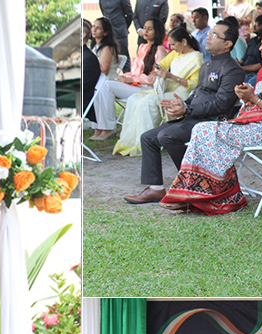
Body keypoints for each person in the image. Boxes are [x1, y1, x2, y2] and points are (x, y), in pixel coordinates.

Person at [158, 28, 262, 214]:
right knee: (201, 129)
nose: (260, 47)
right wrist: (244, 96)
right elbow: (254, 104)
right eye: (261, 43)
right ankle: (202, 193)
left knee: (204, 130)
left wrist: (253, 97)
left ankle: (212, 195)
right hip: (249, 124)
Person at [126, 21, 246, 204]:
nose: (208, 37)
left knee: (167, 136)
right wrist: (180, 105)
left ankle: (192, 184)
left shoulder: (232, 69)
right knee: (148, 137)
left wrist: (188, 109)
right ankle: (156, 189)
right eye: (209, 33)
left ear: (228, 44)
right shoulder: (206, 66)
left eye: (214, 35)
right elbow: (197, 94)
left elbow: (222, 104)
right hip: (193, 117)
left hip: (212, 122)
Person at [115, 26, 202, 156]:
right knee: (134, 98)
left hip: (182, 93)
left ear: (183, 42)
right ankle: (132, 140)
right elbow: (161, 64)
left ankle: (148, 141)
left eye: (173, 44)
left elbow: (193, 84)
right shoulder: (176, 54)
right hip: (169, 88)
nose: (171, 48)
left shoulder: (196, 58)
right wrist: (158, 69)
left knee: (149, 100)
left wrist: (171, 77)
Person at [89, 18, 125, 140]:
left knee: (98, 90)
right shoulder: (94, 46)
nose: (94, 29)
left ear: (105, 32)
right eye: (93, 26)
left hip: (108, 80)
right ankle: (98, 127)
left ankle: (108, 127)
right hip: (97, 81)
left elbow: (104, 69)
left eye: (98, 27)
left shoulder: (107, 48)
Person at [100, 0, 136, 69]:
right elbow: (104, 13)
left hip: (120, 31)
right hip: (107, 33)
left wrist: (123, 26)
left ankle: (127, 77)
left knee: (124, 57)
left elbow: (130, 14)